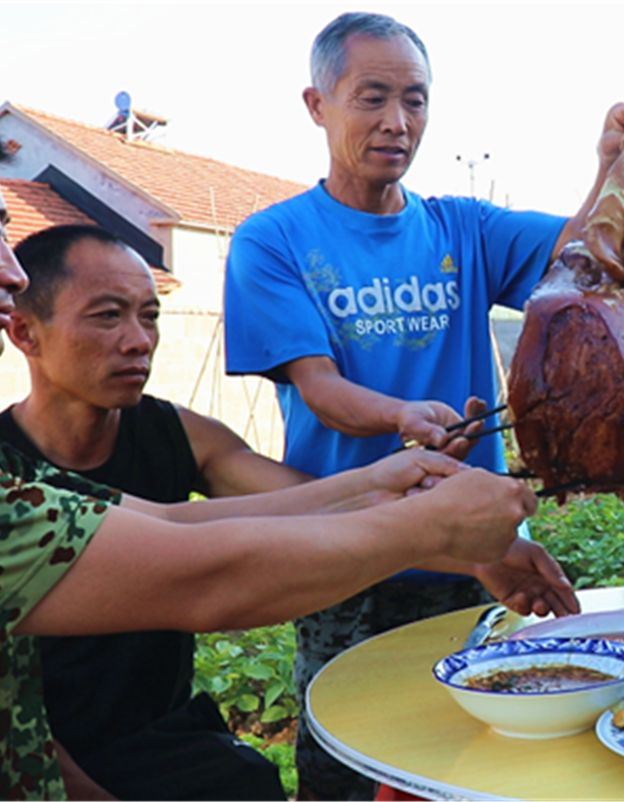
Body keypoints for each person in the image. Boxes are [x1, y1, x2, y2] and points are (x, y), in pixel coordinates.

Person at [222, 11, 624, 797]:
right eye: (372, 98)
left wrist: (608, 165)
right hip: (342, 551)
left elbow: (583, 253)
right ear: (316, 103)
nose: (397, 122)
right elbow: (320, 390)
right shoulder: (274, 240)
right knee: (347, 756)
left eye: (415, 100)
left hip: (473, 552)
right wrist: (402, 417)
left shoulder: (460, 225)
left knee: (472, 755)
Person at [0, 221, 571, 800]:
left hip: (169, 744)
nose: (138, 340)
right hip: (50, 760)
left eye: (149, 316)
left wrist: (454, 543)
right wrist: (427, 524)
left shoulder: (170, 435)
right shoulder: (9, 478)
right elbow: (210, 577)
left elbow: (218, 517)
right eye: (107, 316)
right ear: (24, 331)